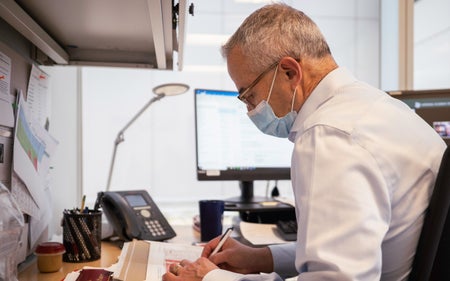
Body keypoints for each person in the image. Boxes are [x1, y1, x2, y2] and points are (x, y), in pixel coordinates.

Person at [163, 3, 447, 281]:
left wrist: (212, 279)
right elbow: (344, 250)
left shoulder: (330, 136)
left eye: (248, 95)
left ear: (289, 72)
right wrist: (261, 258)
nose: (249, 109)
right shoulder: (379, 108)